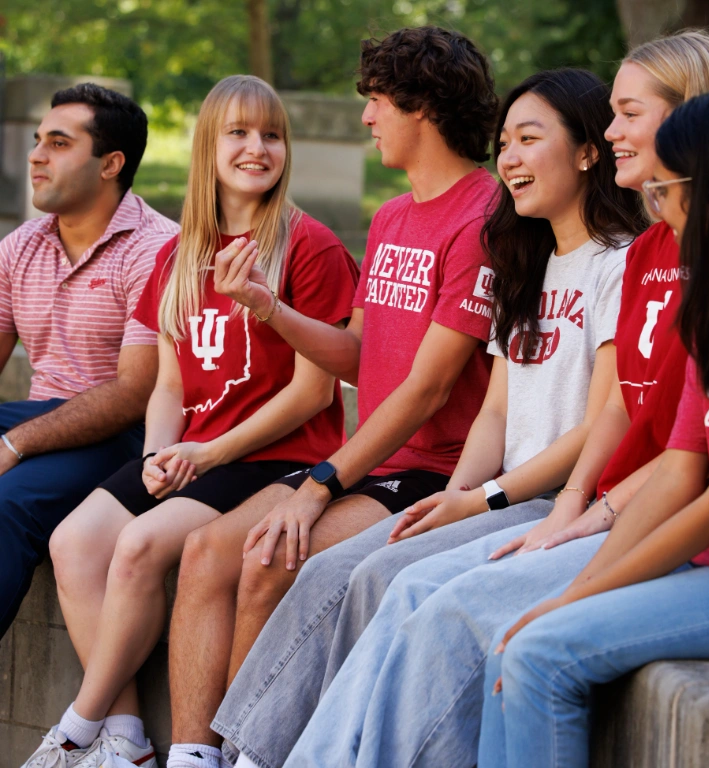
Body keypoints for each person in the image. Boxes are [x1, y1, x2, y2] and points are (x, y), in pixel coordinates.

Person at [276, 31, 709, 768]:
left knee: (481, 621)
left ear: (696, 125)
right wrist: (492, 502)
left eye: (628, 114)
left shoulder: (674, 267)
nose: (613, 130)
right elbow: (641, 423)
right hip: (596, 504)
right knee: (401, 585)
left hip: (642, 519)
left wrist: (569, 533)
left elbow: (687, 470)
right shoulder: (657, 253)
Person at [219, 65, 645, 768]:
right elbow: (497, 410)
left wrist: (480, 496)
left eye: (529, 139)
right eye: (504, 141)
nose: (508, 158)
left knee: (384, 578)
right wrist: (460, 498)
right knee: (339, 574)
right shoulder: (529, 262)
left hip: (553, 501)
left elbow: (597, 428)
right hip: (496, 490)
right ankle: (248, 754)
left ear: (588, 151)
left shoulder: (617, 265)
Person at [165, 26, 500, 768]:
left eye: (377, 101)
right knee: (203, 552)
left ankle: (242, 753)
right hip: (374, 457)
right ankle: (192, 756)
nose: (366, 117)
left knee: (266, 557)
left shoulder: (481, 219)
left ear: (422, 106)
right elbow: (362, 358)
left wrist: (321, 484)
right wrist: (268, 306)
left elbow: (428, 388)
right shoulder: (391, 216)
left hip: (433, 469)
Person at [21, 75, 359, 768]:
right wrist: (159, 454)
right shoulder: (180, 253)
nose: (257, 148)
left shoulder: (309, 245)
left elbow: (313, 394)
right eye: (238, 133)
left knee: (141, 546)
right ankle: (127, 739)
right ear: (208, 145)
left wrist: (205, 455)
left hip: (270, 455)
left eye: (272, 134)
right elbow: (169, 381)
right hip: (195, 450)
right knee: (76, 541)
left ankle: (76, 728)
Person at [478, 85, 709, 768]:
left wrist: (571, 604)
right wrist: (572, 592)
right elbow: (678, 468)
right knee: (511, 636)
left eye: (665, 191)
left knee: (543, 651)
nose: (658, 213)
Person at [0, 83, 178, 640]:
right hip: (40, 419)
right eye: (37, 141)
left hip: (125, 437)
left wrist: (13, 445)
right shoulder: (21, 246)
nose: (36, 155)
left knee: (8, 503)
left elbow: (134, 393)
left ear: (111, 164)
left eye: (58, 143)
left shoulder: (156, 249)